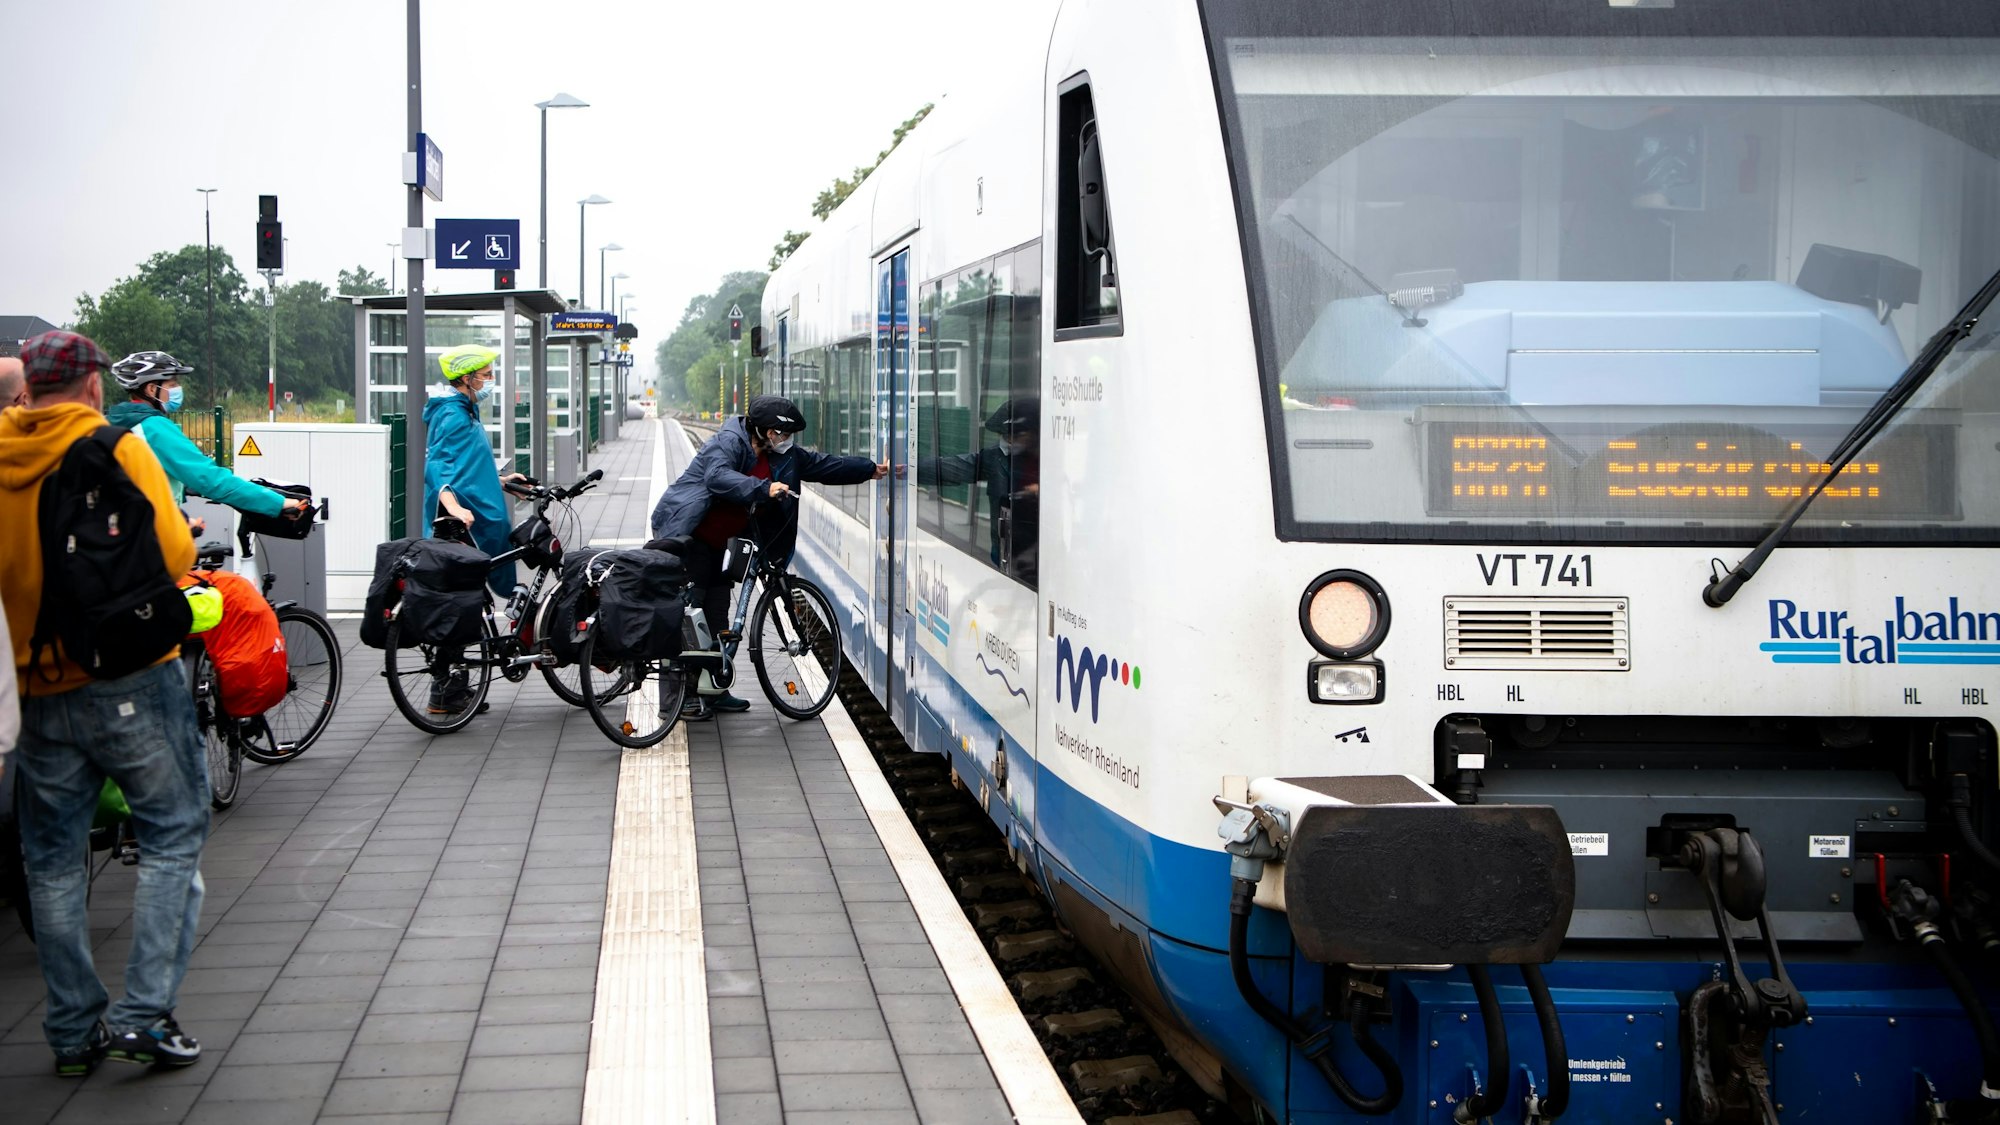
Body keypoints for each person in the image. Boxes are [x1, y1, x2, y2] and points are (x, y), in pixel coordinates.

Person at [0, 331, 203, 1076]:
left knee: (50, 862)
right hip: (128, 675)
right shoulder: (116, 446)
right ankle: (143, 1013)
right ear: (90, 384)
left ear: (29, 388)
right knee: (173, 832)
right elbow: (176, 553)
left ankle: (71, 1032)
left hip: (35, 688)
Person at [650, 394, 886, 719]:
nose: (786, 440)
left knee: (717, 617)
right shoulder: (729, 441)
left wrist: (870, 469)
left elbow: (822, 464)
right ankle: (675, 700)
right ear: (763, 430)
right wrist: (764, 489)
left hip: (726, 544)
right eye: (781, 433)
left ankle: (714, 690)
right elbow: (716, 477)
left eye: (788, 435)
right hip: (692, 536)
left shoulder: (780, 455)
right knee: (687, 617)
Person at [421, 344, 524, 713]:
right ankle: (445, 689)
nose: (490, 380)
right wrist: (454, 508)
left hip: (474, 521)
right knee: (462, 605)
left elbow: (468, 465)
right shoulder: (452, 416)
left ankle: (455, 687)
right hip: (464, 527)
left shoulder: (465, 410)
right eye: (485, 374)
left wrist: (499, 479)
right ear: (466, 378)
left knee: (469, 603)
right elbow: (439, 468)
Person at [104, 351, 309, 524]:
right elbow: (210, 478)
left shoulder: (115, 423)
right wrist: (278, 503)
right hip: (149, 549)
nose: (176, 390)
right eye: (172, 384)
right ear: (151, 389)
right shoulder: (154, 428)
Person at [918, 397, 1040, 582]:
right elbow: (955, 468)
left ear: (1033, 433)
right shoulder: (995, 458)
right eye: (1004, 436)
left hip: (1038, 559)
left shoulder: (1049, 462)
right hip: (1005, 555)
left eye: (1014, 435)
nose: (1007, 442)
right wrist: (909, 469)